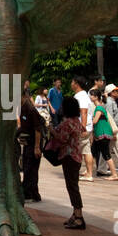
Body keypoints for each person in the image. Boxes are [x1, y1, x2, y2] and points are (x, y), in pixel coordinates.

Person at [47, 96, 86, 229]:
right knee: (73, 186)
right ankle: (75, 215)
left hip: (69, 157)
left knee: (72, 187)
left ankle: (79, 217)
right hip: (77, 157)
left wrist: (52, 130)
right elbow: (83, 132)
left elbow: (62, 139)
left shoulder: (67, 123)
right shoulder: (76, 121)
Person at [17, 89, 45, 202]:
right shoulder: (22, 108)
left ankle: (29, 194)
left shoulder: (30, 109)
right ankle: (34, 193)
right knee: (28, 167)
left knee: (30, 168)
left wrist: (37, 147)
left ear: (23, 96)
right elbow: (23, 126)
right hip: (28, 142)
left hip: (35, 143)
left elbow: (37, 129)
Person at [88, 88, 118, 180]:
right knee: (92, 152)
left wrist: (87, 120)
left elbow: (95, 121)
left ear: (96, 97)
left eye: (92, 95)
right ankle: (88, 171)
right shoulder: (100, 107)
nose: (90, 97)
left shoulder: (99, 108)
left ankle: (114, 174)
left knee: (106, 154)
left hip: (103, 134)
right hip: (100, 134)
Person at [71, 75, 92, 178]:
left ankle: (75, 172)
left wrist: (82, 128)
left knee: (76, 151)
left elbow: (83, 112)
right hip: (86, 127)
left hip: (82, 128)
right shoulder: (83, 95)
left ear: (76, 84)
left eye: (72, 82)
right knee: (86, 151)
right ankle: (89, 173)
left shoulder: (81, 96)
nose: (71, 84)